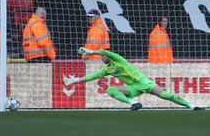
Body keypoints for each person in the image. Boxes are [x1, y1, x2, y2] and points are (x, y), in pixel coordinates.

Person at [64, 47, 204, 111]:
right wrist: (75, 80)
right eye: (101, 57)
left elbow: (105, 51)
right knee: (110, 90)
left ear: (109, 57)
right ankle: (134, 103)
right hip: (133, 88)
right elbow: (91, 77)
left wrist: (91, 51)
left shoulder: (119, 60)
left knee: (167, 96)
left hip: (144, 82)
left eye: (103, 57)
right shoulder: (106, 70)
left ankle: (192, 106)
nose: (102, 58)